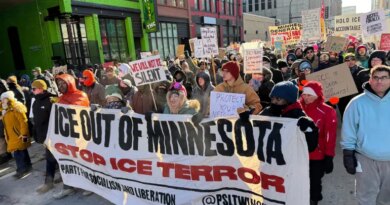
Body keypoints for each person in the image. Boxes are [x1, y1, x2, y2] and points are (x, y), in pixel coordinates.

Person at [341, 65, 390, 205]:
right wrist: (348, 153)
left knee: (386, 199)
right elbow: (348, 129)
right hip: (366, 158)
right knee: (365, 198)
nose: (379, 81)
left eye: (384, 78)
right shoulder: (356, 103)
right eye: (376, 78)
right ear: (370, 80)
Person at [300, 81, 337, 205]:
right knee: (299, 180)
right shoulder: (297, 109)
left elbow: (330, 136)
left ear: (317, 95)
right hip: (298, 152)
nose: (305, 97)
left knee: (314, 181)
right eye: (304, 94)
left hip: (316, 154)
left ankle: (313, 200)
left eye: (309, 95)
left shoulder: (327, 111)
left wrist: (329, 156)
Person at [53, 73, 90, 199]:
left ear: (70, 83)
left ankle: (89, 186)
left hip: (80, 136)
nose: (61, 86)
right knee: (66, 162)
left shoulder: (81, 95)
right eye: (59, 84)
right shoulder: (61, 98)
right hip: (65, 136)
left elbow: (76, 109)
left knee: (83, 162)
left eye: (63, 83)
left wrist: (60, 105)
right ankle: (68, 187)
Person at [259, 81, 318, 153]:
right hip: (270, 158)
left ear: (289, 100)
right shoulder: (268, 111)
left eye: (278, 99)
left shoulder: (298, 116)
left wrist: (309, 130)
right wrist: (246, 120)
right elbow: (255, 127)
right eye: (272, 98)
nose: (274, 102)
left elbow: (310, 146)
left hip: (289, 160)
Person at [31, 80, 57, 193]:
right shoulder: (35, 102)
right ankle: (64, 178)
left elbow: (57, 119)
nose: (32, 91)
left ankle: (49, 183)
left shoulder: (51, 100)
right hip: (43, 136)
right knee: (54, 158)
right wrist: (36, 133)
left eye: (34, 88)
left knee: (51, 159)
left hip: (53, 136)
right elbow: (36, 120)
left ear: (41, 88)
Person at [0, 91, 32, 179]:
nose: (2, 101)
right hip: (12, 136)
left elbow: (23, 122)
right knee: (22, 151)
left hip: (20, 135)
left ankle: (21, 170)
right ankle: (27, 166)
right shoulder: (5, 109)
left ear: (9, 99)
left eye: (4, 99)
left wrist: (24, 134)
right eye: (1, 99)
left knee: (19, 154)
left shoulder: (16, 108)